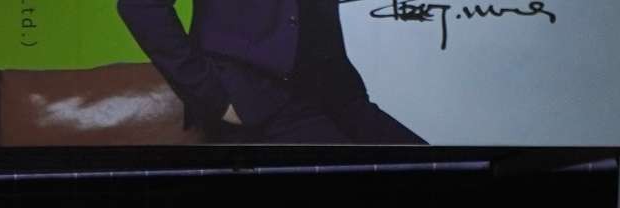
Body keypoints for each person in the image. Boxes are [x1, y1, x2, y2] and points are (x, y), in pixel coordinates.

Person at [117, 0, 424, 145]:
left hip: (338, 93)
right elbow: (139, 6)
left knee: (435, 174)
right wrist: (212, 97)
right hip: (262, 98)